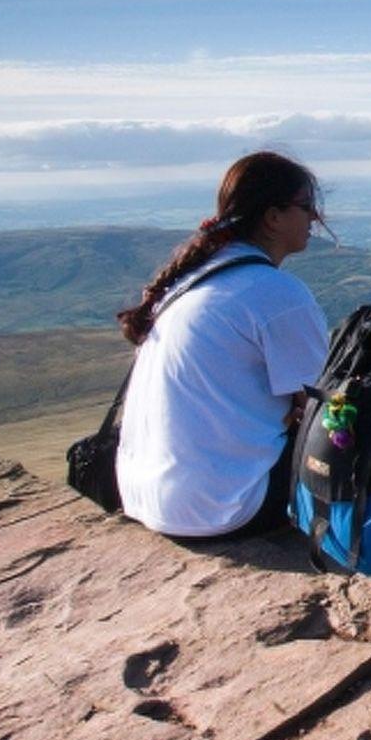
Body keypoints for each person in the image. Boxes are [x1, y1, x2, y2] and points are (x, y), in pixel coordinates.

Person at [114, 151, 330, 539]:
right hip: (227, 507)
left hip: (147, 498)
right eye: (306, 206)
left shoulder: (192, 280)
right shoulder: (276, 293)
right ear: (273, 217)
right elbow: (328, 407)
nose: (314, 218)